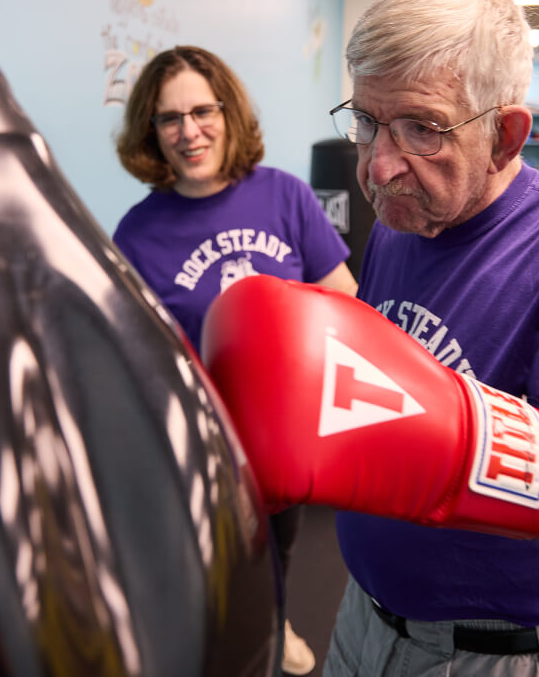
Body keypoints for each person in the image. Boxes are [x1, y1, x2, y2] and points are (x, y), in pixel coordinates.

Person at [199, 0, 539, 677]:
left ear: (505, 135)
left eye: (421, 129)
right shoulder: (404, 222)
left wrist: (445, 440)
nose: (379, 166)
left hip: (496, 654)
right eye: (366, 121)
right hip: (364, 614)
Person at [112, 44, 358, 676]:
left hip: (282, 435)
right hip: (195, 442)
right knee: (200, 566)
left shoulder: (284, 196)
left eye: (202, 111)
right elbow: (132, 354)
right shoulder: (137, 234)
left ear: (228, 112)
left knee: (276, 549)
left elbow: (345, 304)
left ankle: (275, 622)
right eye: (169, 119)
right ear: (151, 131)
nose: (188, 131)